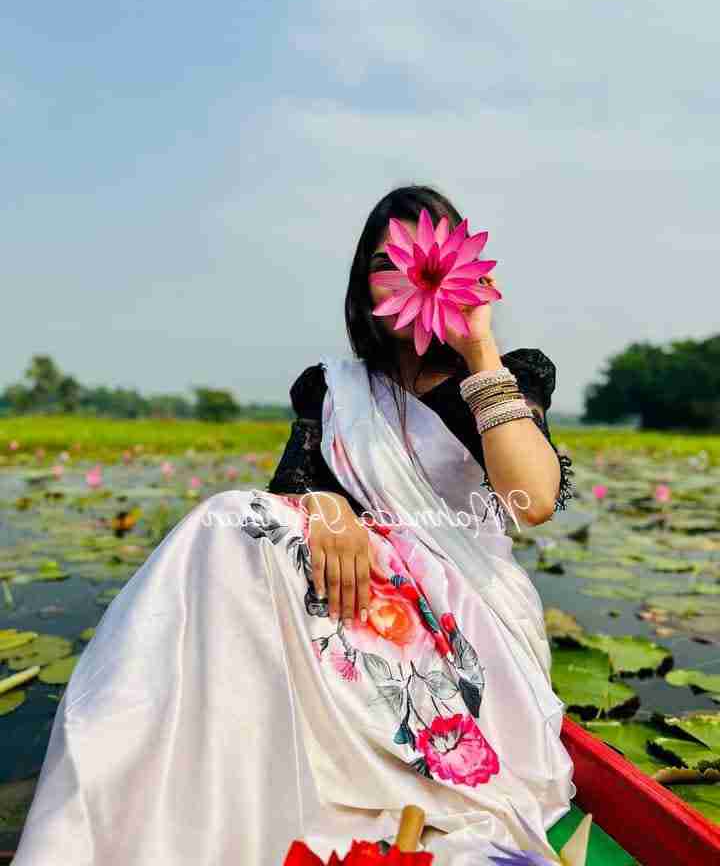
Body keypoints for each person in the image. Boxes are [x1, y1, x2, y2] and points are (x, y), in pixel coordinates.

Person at [12, 185, 577, 866]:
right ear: (362, 282)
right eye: (386, 259)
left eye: (426, 259)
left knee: (230, 517)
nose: (409, 275)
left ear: (462, 266)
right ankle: (155, 761)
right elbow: (284, 499)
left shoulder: (508, 373)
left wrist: (479, 348)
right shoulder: (333, 386)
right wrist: (327, 505)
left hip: (469, 617)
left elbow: (534, 499)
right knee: (227, 524)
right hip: (359, 596)